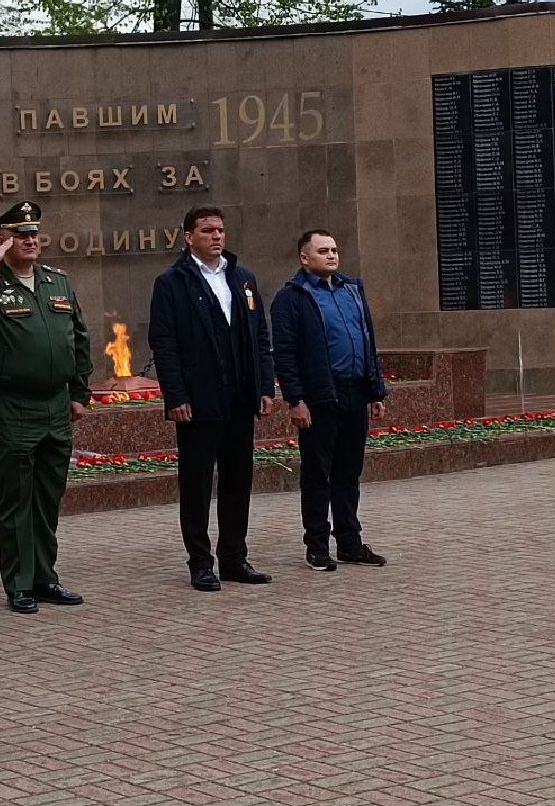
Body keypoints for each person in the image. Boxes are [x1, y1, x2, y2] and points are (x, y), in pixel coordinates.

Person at [0, 201, 92, 614]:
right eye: (19, 234)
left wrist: (79, 392)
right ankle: (19, 583)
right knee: (16, 500)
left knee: (47, 498)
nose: (29, 240)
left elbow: (79, 338)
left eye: (33, 234)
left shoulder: (57, 282)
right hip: (13, 407)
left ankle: (45, 577)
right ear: (2, 240)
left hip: (55, 406)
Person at [148, 206, 276, 592]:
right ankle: (201, 563)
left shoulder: (243, 278)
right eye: (207, 231)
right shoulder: (172, 283)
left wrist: (264, 386)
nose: (216, 236)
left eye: (220, 230)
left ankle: (234, 557)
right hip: (199, 401)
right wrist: (176, 395)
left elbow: (260, 337)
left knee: (238, 479)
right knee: (198, 483)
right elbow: (164, 344)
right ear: (188, 237)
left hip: (239, 397)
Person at [269, 230, 389, 571]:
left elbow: (367, 340)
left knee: (348, 473)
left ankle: (350, 543)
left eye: (334, 250)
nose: (332, 255)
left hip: (355, 391)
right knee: (317, 474)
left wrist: (375, 391)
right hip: (319, 395)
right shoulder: (292, 298)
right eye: (323, 251)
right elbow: (285, 354)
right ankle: (317, 546)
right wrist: (296, 399)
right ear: (304, 258)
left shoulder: (352, 290)